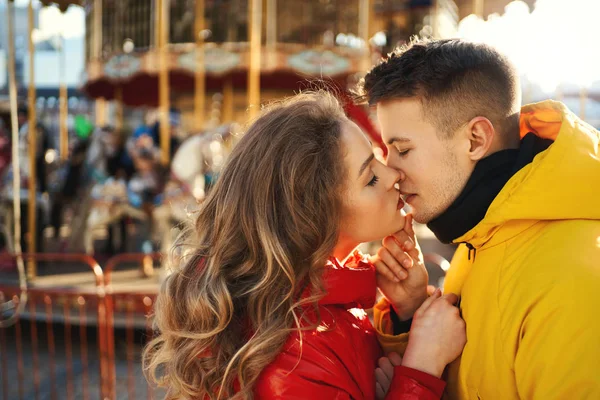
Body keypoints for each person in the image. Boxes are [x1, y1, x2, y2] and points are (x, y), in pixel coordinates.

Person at [143, 92, 466, 399]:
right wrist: (422, 366)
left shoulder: (319, 306)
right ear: (314, 216)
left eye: (378, 157)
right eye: (369, 178)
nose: (393, 174)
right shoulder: (293, 355)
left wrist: (407, 312)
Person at [357, 38, 600, 399]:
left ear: (475, 139)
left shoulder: (573, 279)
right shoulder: (484, 234)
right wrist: (412, 312)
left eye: (403, 149)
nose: (391, 170)